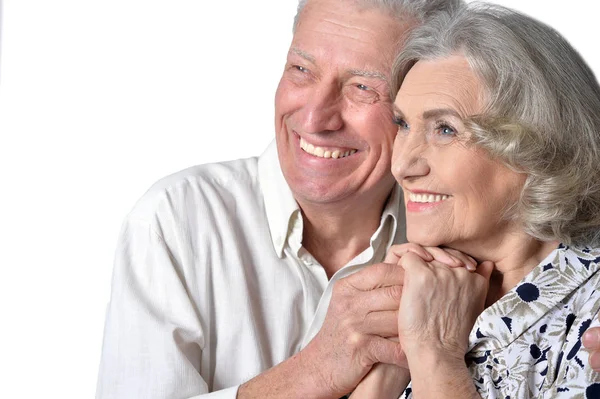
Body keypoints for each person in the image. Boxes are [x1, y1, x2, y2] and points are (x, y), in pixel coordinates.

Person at [95, 1, 465, 398]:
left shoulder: (458, 239)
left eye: (362, 87)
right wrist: (318, 369)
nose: (314, 119)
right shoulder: (174, 222)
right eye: (302, 70)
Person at [350, 2, 600, 398]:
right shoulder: (416, 284)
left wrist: (434, 355)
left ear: (535, 147)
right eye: (403, 124)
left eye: (444, 130)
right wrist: (389, 364)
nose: (401, 166)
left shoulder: (593, 319)